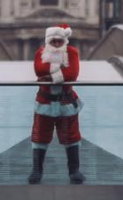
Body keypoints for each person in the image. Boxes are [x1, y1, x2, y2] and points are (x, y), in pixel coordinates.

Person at [29, 25, 84, 184]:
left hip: (66, 101)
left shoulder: (72, 52)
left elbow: (72, 74)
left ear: (65, 40)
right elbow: (39, 70)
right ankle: (36, 170)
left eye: (60, 41)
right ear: (48, 40)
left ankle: (74, 171)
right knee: (39, 136)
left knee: (71, 136)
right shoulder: (40, 53)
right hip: (45, 102)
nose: (57, 43)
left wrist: (49, 75)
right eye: (54, 41)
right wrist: (59, 71)